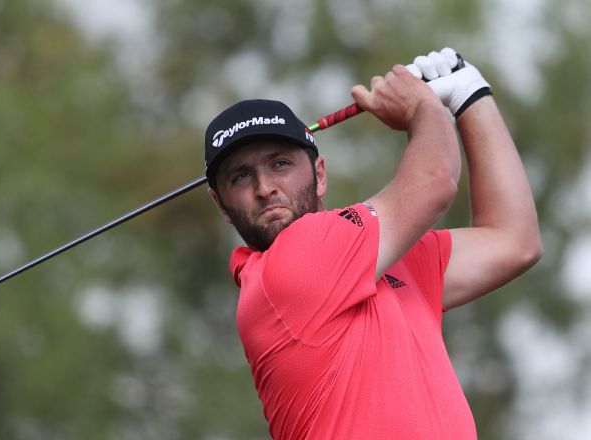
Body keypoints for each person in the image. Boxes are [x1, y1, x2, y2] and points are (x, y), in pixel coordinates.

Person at [203, 48, 542, 439]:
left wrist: (471, 97)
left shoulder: (383, 260)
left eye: (280, 164)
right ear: (222, 205)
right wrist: (423, 107)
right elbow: (435, 180)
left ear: (320, 173)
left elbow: (514, 240)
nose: (265, 189)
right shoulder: (287, 268)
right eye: (241, 177)